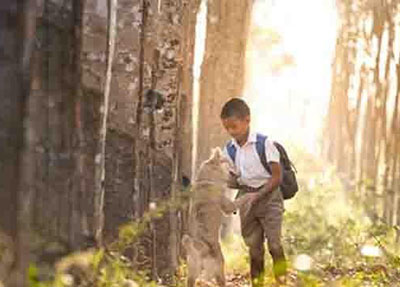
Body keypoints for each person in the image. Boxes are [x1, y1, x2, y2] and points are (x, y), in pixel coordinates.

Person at [220, 97, 287, 286]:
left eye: (234, 126)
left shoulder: (264, 144)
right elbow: (234, 179)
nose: (231, 132)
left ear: (247, 120)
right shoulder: (229, 150)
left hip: (270, 197)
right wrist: (221, 180)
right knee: (254, 249)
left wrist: (259, 194)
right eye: (227, 128)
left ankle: (281, 281)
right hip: (247, 199)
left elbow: (276, 176)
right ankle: (257, 283)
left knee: (274, 245)